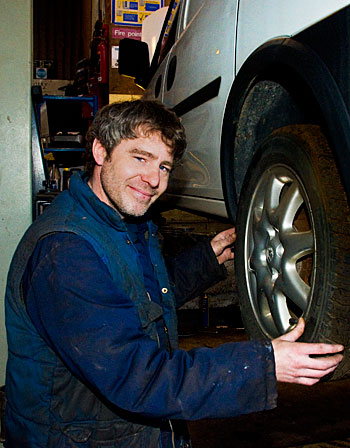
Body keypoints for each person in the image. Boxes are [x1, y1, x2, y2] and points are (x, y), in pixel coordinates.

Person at [4, 100, 343, 448]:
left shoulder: (124, 223)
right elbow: (139, 378)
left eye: (165, 167)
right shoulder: (65, 253)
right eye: (140, 158)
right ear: (101, 151)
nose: (154, 180)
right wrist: (262, 365)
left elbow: (135, 299)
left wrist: (207, 260)